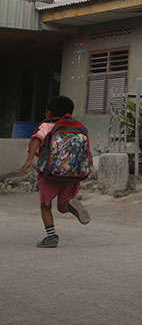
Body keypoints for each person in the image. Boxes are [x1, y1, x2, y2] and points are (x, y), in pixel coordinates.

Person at [18, 95, 91, 248]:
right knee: (62, 207)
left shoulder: (47, 126)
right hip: (72, 175)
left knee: (45, 205)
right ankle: (72, 204)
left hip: (50, 174)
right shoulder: (78, 127)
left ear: (49, 113)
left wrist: (29, 160)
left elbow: (37, 139)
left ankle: (51, 237)